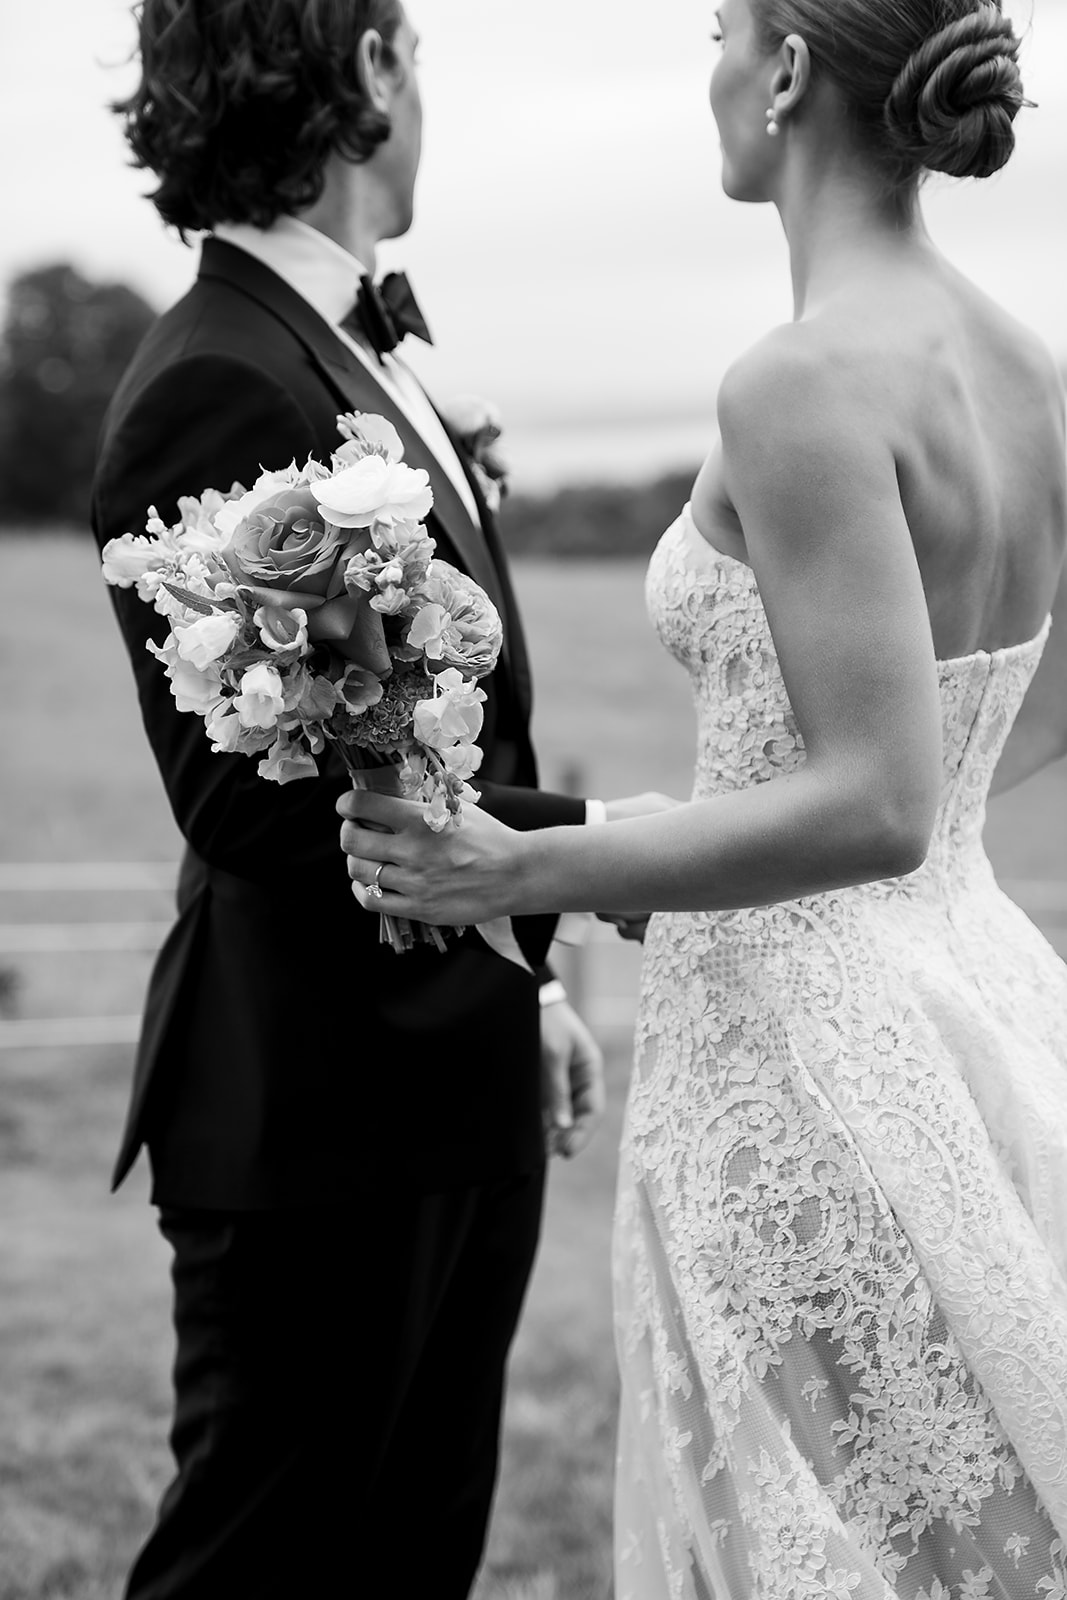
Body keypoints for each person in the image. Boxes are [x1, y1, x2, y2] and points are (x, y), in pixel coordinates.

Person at [339, 0, 1067, 1592]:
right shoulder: (1034, 375)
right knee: (957, 1537)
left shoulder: (799, 385)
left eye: (723, 28)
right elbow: (971, 765)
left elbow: (873, 801)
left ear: (790, 70)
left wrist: (505, 871)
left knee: (808, 1542)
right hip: (974, 1002)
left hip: (796, 1059)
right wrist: (666, 841)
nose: (715, 67)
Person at [91, 4, 610, 1596]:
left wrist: (512, 989)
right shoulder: (221, 379)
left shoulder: (359, 352)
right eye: (420, 52)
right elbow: (254, 805)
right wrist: (586, 850)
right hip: (314, 1122)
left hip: (442, 1084)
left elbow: (390, 744)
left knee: (408, 1560)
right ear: (371, 70)